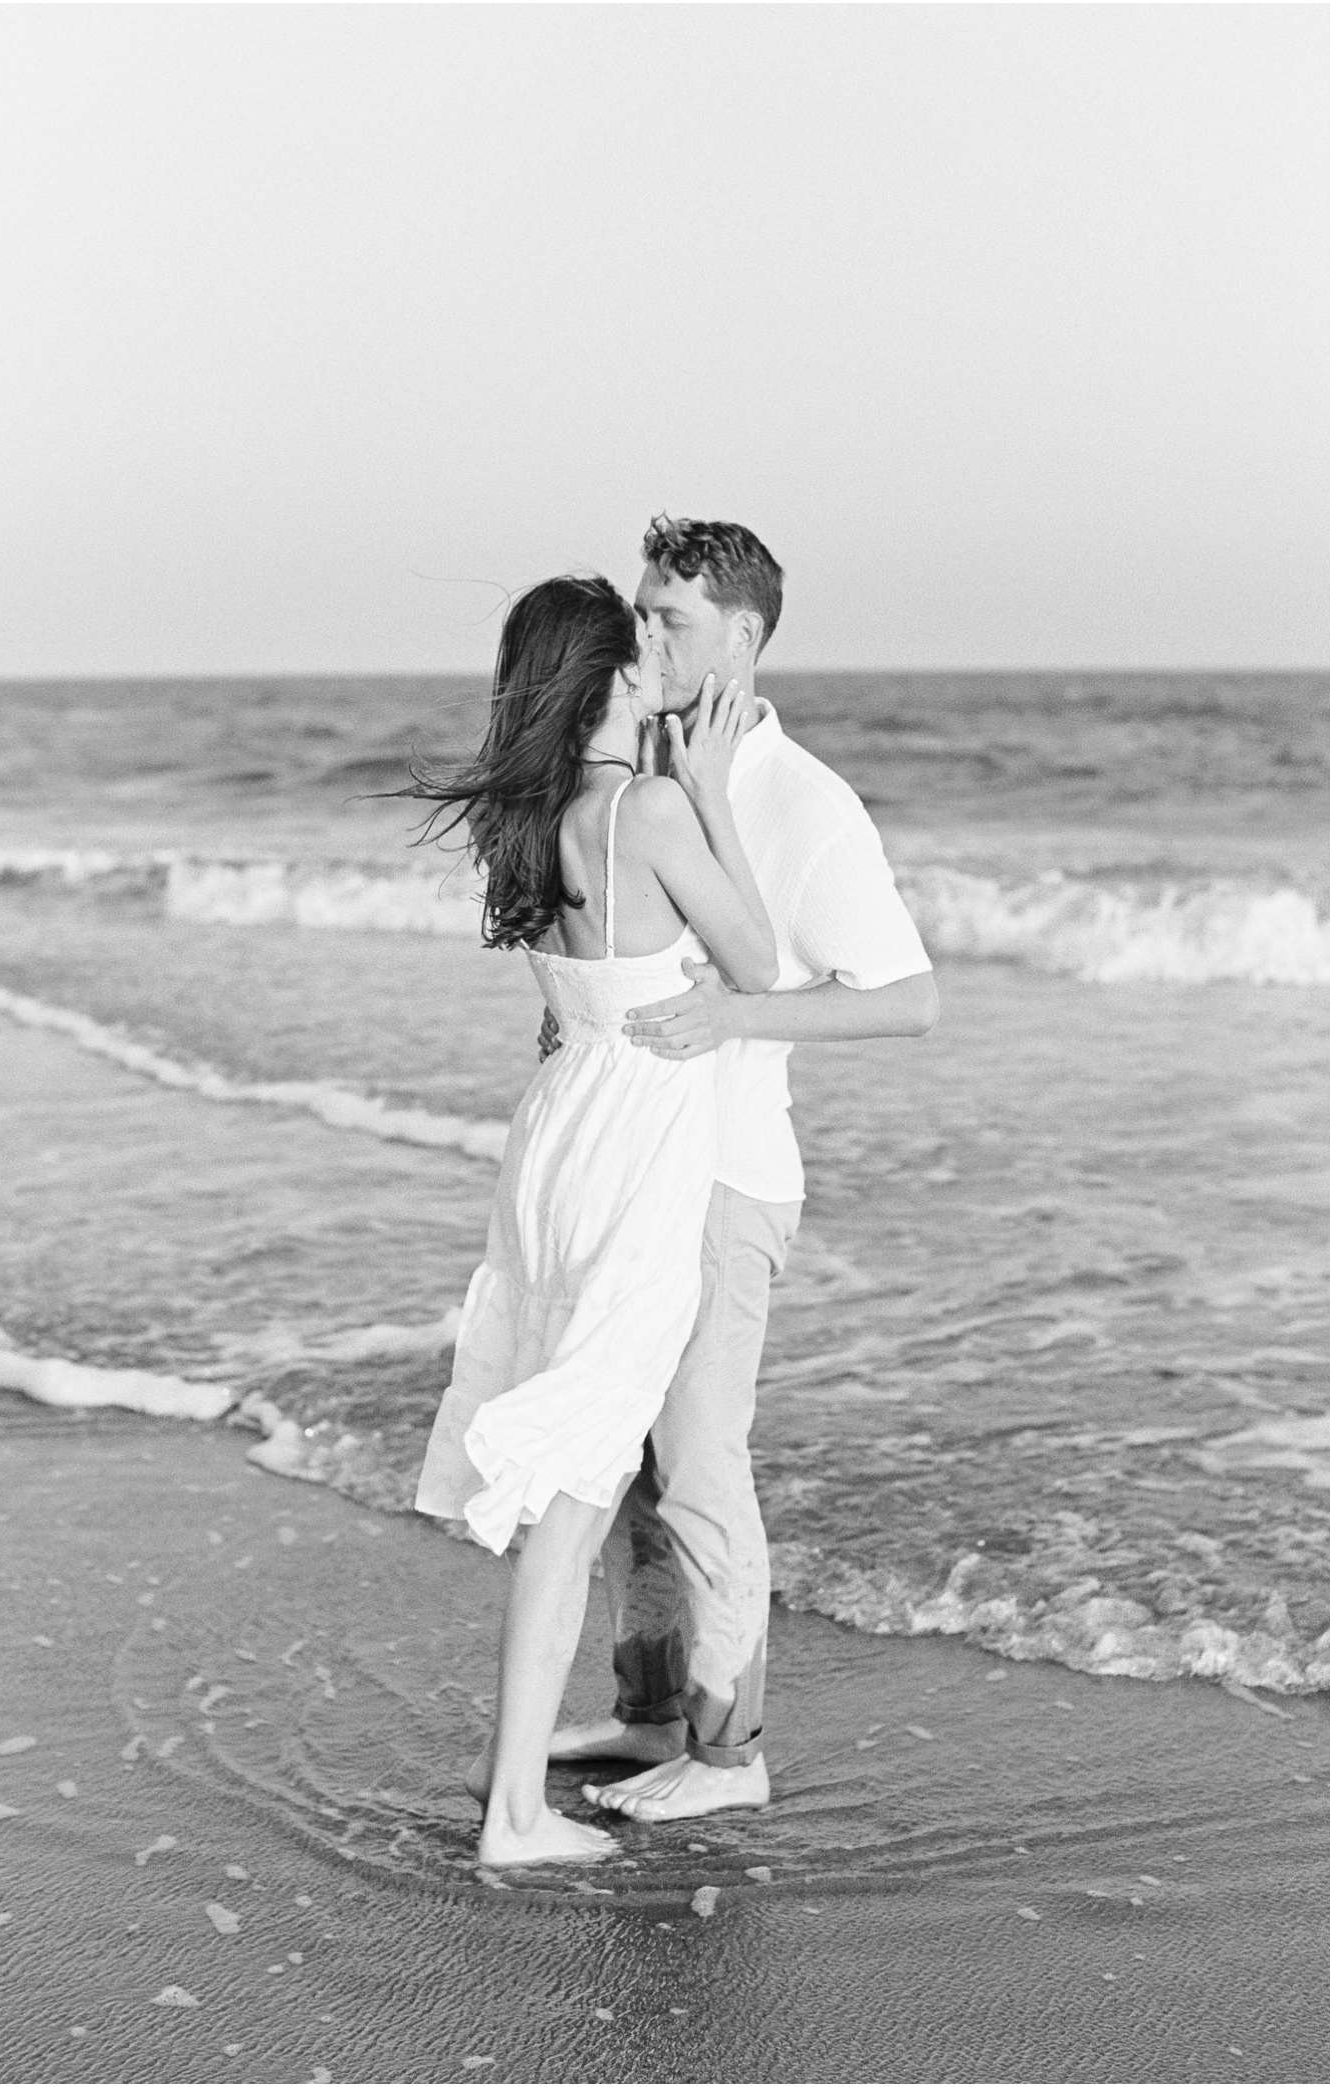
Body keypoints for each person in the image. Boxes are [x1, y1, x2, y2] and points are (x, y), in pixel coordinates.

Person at [538, 516, 939, 1824]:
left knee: (701, 1460)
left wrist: (735, 1016)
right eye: (643, 614)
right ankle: (651, 1712)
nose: (645, 639)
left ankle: (731, 1750)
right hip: (631, 1168)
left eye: (675, 621)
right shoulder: (639, 772)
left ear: (749, 637)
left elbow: (907, 1001)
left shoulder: (802, 798)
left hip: (726, 1179)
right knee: (627, 1467)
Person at [412, 572, 779, 1867]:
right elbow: (759, 963)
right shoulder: (649, 809)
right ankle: (515, 1816)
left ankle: (536, 1775)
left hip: (556, 1138)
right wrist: (717, 792)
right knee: (571, 1513)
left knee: (577, 1495)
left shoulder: (536, 815)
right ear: (617, 679)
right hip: (630, 1160)